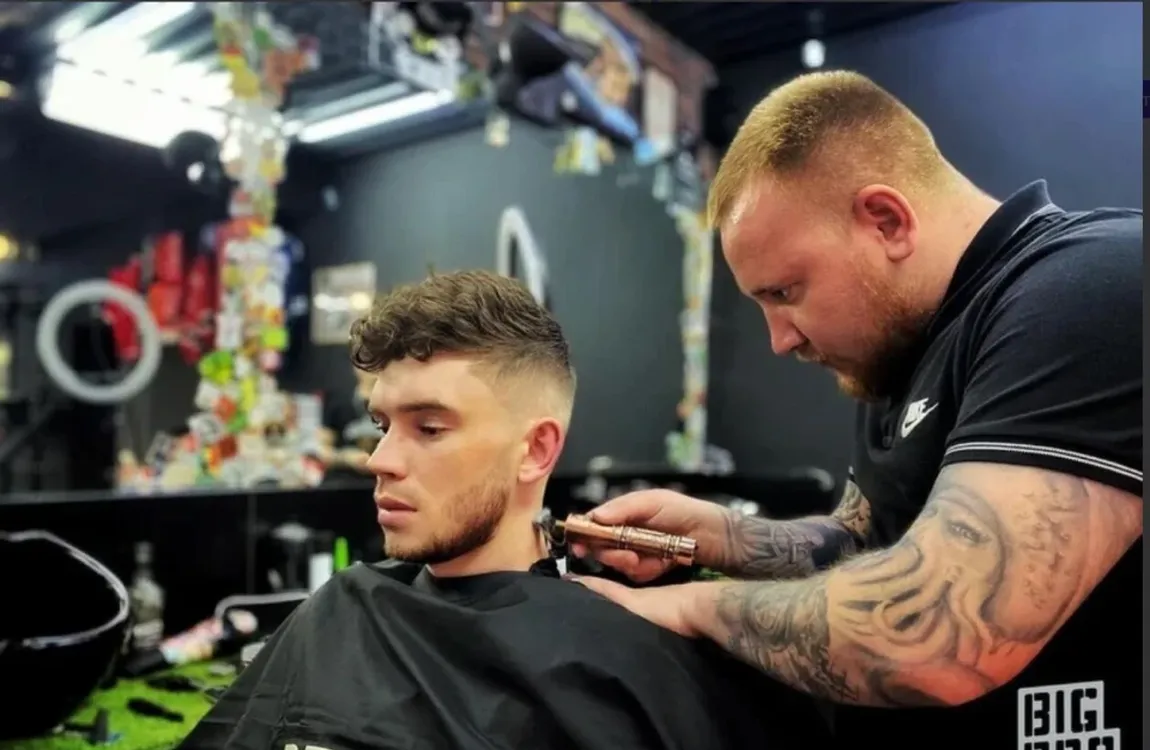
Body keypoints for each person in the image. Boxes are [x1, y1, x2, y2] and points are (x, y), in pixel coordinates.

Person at [571, 71, 1142, 748]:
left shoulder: (1088, 289)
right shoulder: (903, 346)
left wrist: (693, 605)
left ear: (887, 221)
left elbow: (938, 633)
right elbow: (862, 542)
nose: (780, 340)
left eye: (785, 292)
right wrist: (719, 536)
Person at [178, 270, 831, 750]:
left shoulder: (626, 656)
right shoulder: (340, 612)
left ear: (535, 450)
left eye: (429, 428)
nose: (381, 459)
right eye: (382, 425)